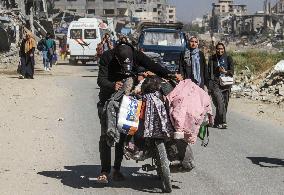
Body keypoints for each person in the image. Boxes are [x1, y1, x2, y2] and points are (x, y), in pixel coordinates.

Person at [96, 43, 182, 183]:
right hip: (107, 101)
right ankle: (104, 171)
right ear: (116, 57)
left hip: (128, 100)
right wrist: (112, 85)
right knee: (106, 135)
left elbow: (153, 66)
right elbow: (100, 80)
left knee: (123, 134)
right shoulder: (107, 57)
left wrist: (170, 74)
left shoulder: (135, 54)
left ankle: (116, 169)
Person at [208, 42, 234, 129]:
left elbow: (232, 72)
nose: (220, 50)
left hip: (226, 84)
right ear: (216, 49)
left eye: (221, 49)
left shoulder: (228, 58)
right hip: (216, 84)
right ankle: (223, 122)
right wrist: (209, 87)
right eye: (218, 49)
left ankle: (216, 122)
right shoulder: (212, 58)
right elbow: (209, 73)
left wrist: (225, 72)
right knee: (220, 103)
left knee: (225, 104)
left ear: (224, 49)